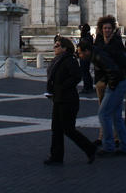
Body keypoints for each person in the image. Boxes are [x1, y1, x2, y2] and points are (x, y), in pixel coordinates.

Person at [44, 37, 96, 165]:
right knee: (56, 128)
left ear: (65, 48)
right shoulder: (58, 60)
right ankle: (56, 156)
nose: (54, 47)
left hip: (68, 99)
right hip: (58, 98)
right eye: (55, 45)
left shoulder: (70, 60)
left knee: (68, 129)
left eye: (57, 45)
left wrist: (62, 87)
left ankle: (90, 148)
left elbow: (77, 76)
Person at [88, 14, 126, 156]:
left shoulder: (117, 43)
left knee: (104, 114)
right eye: (104, 28)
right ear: (100, 29)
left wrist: (111, 81)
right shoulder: (99, 43)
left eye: (109, 28)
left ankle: (108, 146)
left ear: (113, 29)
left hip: (116, 82)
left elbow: (120, 64)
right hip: (106, 82)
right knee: (116, 116)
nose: (107, 30)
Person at [78, 24, 94, 93]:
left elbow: (83, 45)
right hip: (87, 56)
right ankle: (89, 86)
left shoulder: (85, 37)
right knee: (86, 72)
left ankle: (86, 87)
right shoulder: (89, 36)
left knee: (84, 72)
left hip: (84, 55)